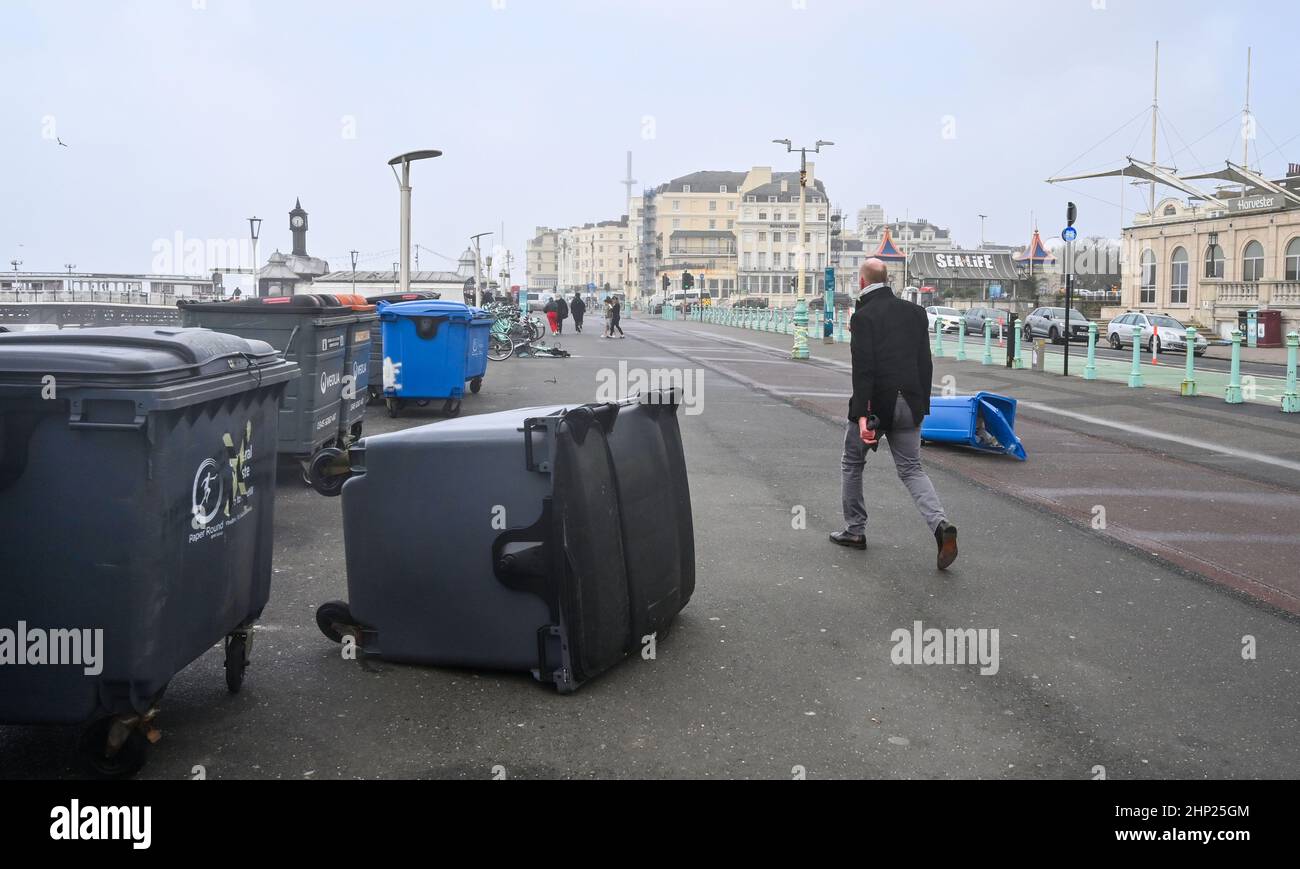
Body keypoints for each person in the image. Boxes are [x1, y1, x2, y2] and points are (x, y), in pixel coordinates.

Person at [831, 259, 958, 570]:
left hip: (877, 405)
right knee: (912, 470)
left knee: (852, 462)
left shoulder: (864, 316)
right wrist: (921, 407)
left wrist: (862, 415)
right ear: (887, 280)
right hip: (910, 403)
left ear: (862, 283)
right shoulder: (915, 312)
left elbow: (864, 371)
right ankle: (940, 526)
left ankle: (855, 530)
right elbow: (924, 363)